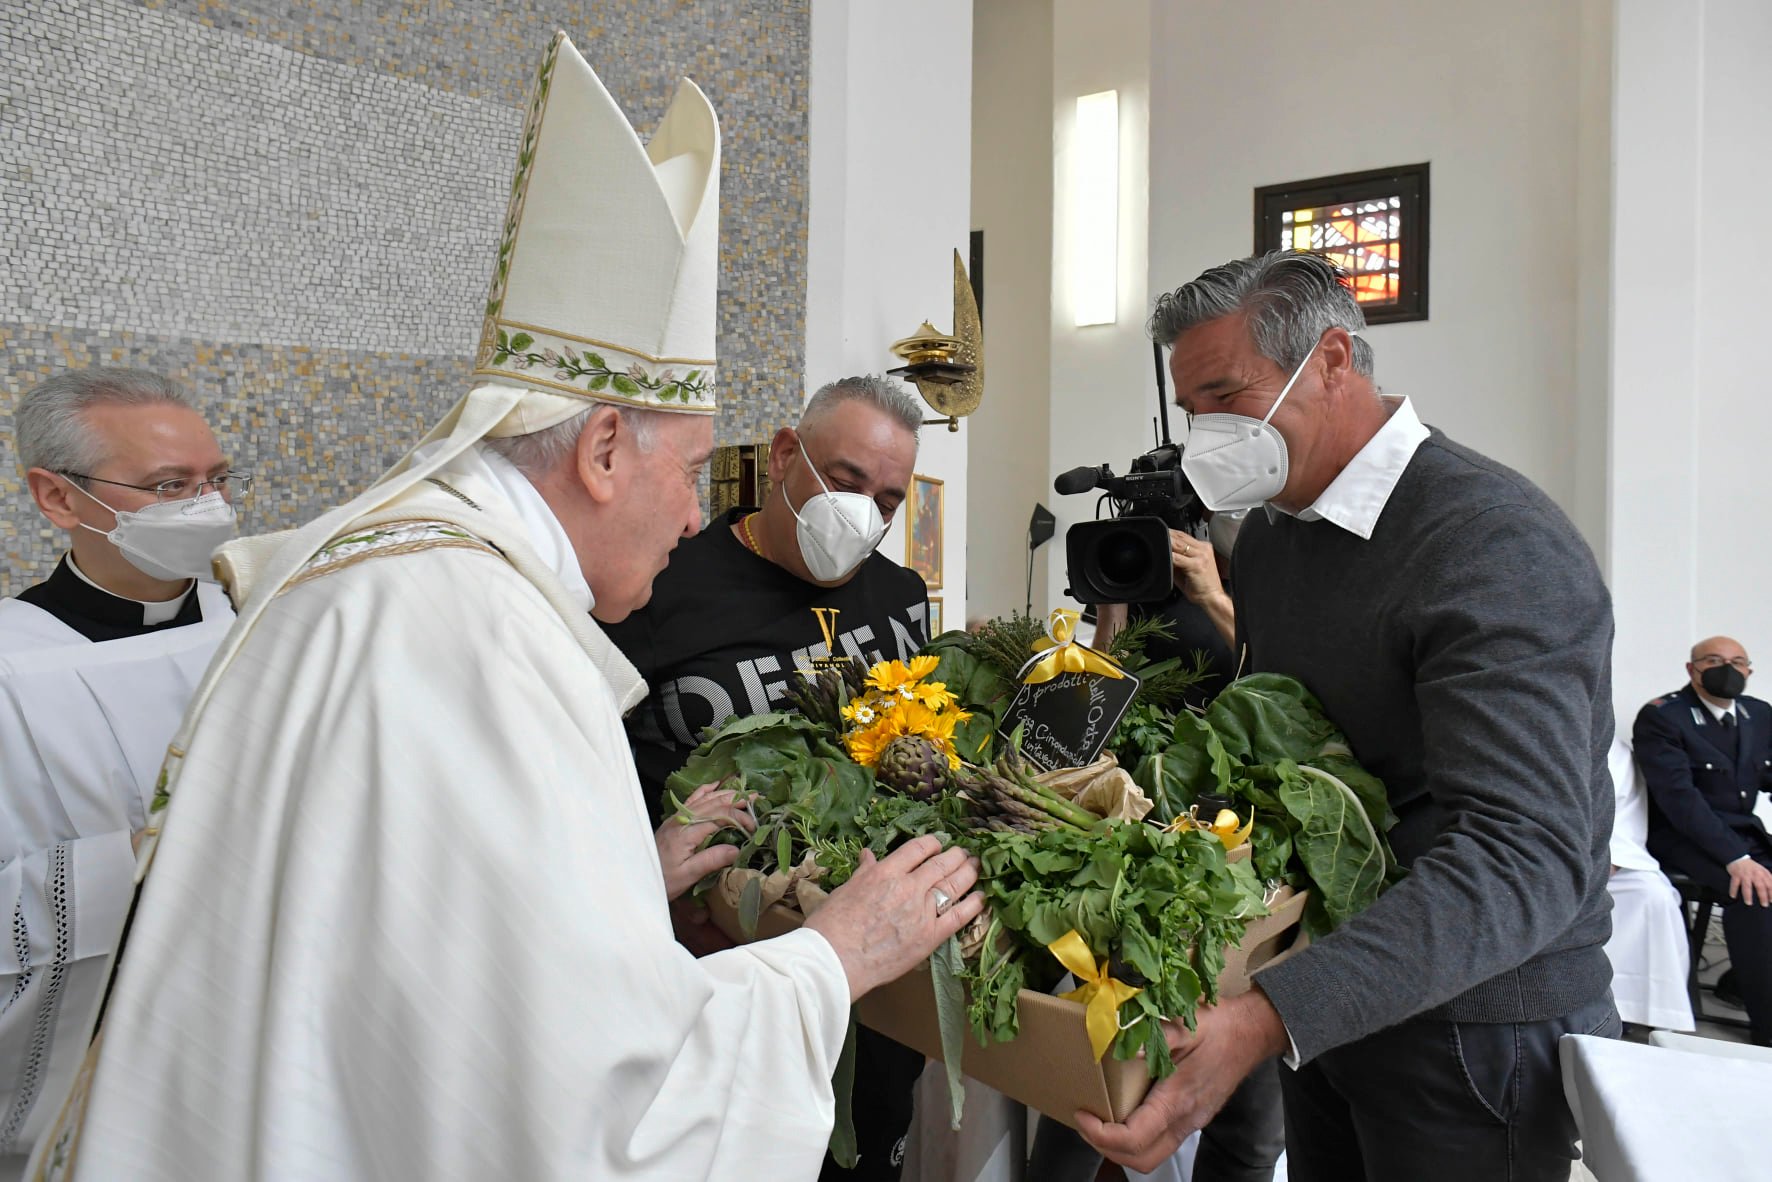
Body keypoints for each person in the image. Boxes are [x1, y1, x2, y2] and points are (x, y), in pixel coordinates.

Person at [26, 34, 983, 1181]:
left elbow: (421, 946)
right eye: (690, 472)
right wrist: (833, 956)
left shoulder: (400, 574)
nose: (694, 516)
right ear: (602, 448)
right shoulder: (485, 637)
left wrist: (617, 882)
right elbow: (602, 1111)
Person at [1079, 251, 1618, 1181]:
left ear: (1331, 360)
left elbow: (1524, 855)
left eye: (1226, 397)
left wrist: (1271, 1015)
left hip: (1476, 1024)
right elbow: (1285, 755)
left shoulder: (1489, 541)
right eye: (1192, 409)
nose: (1207, 435)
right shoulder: (1273, 539)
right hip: (1333, 998)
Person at [604, 373, 930, 1179]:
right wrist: (651, 894)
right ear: (786, 455)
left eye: (888, 501)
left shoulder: (901, 598)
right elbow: (591, 774)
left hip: (867, 987)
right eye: (846, 481)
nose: (863, 514)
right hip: (709, 982)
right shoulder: (659, 588)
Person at [0, 368, 240, 1177]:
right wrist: (130, 859)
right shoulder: (11, 668)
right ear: (57, 497)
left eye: (216, 480)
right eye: (169, 486)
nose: (207, 508)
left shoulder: (262, 621)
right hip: (104, 1056)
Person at [1033, 516, 1286, 1182]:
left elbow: (1282, 690)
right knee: (1092, 1086)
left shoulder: (1260, 575)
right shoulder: (1126, 584)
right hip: (1131, 850)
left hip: (1242, 854)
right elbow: (1091, 718)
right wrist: (1110, 611)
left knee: (1248, 1116)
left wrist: (1213, 595)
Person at [1634, 636, 1772, 1044]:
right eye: (1713, 660)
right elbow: (1680, 799)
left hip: (1742, 832)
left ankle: (1737, 982)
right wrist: (1736, 857)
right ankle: (1767, 1028)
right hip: (1683, 838)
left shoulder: (1758, 714)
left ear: (1749, 670)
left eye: (1737, 662)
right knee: (1755, 893)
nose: (1726, 669)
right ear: (1691, 669)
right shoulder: (1663, 716)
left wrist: (1743, 851)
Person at [1602, 734, 1696, 1033]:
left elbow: (1625, 827)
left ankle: (1637, 1009)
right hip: (1539, 862)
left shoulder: (1616, 752)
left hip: (1604, 865)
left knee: (1653, 896)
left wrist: (1602, 867)